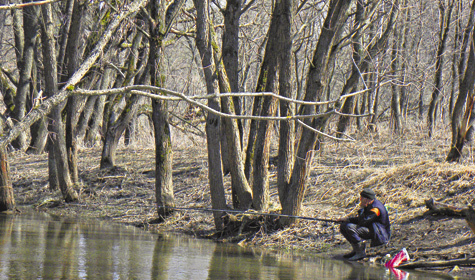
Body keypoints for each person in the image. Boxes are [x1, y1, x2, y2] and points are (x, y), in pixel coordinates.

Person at [338, 188, 391, 261]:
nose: (360, 200)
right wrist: (347, 219)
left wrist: (361, 210)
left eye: (361, 198)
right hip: (371, 228)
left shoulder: (375, 209)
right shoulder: (370, 204)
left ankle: (360, 252)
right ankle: (355, 250)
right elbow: (362, 221)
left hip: (379, 233)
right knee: (343, 226)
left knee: (349, 227)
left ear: (366, 199)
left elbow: (363, 222)